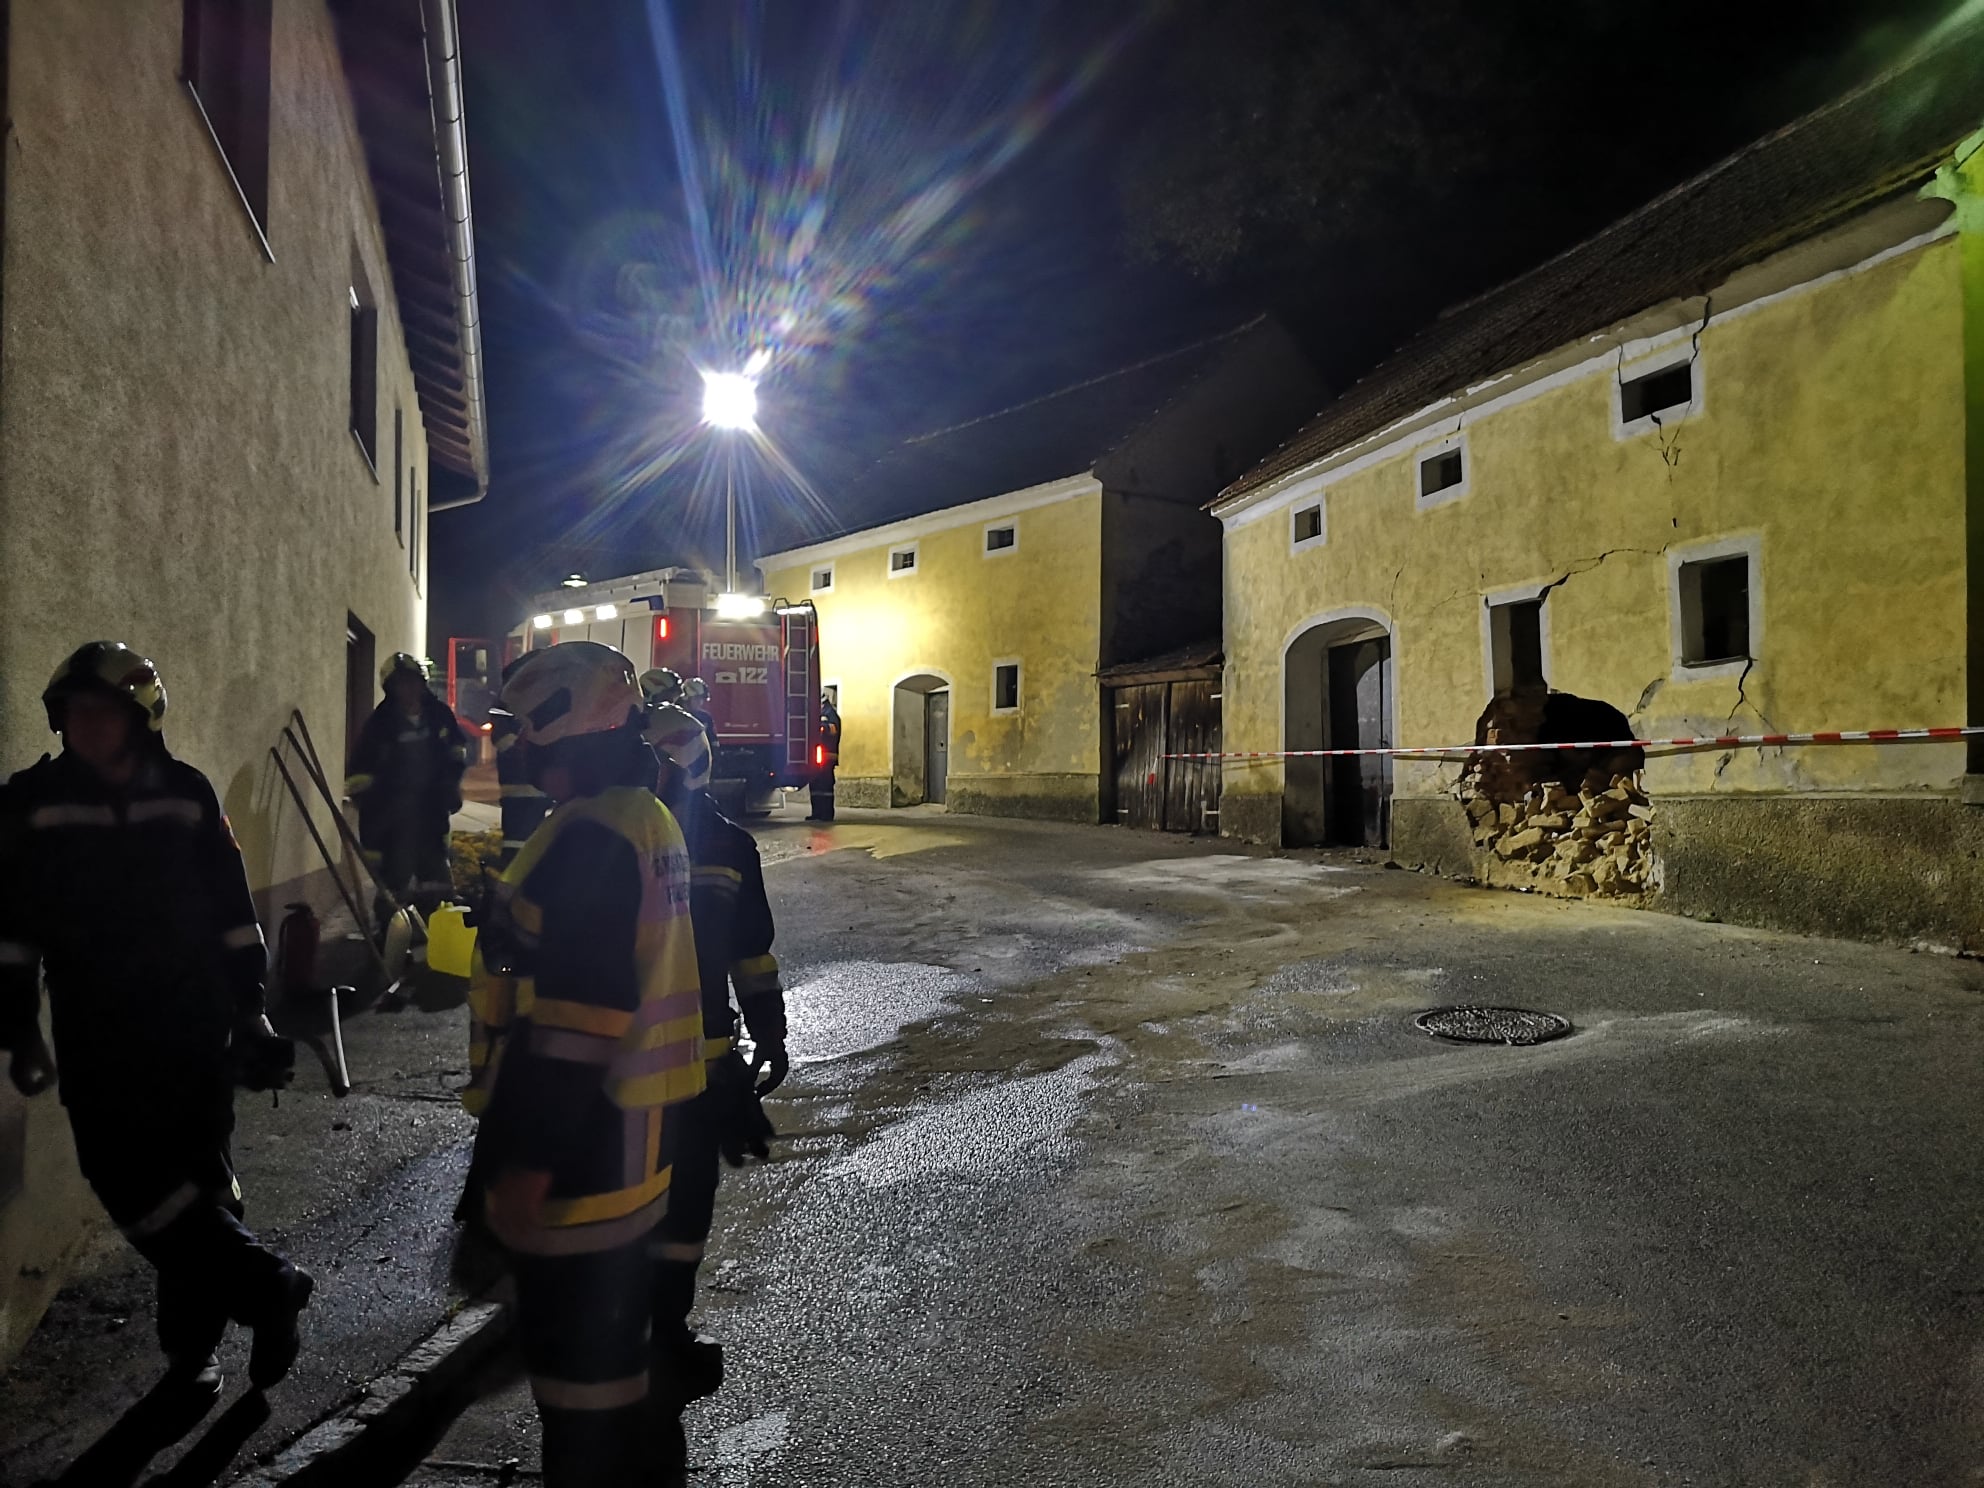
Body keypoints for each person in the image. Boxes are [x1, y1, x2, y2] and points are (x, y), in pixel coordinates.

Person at [0, 642, 313, 1399]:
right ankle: (261, 1286)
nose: (85, 725)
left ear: (141, 719)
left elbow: (233, 916)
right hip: (95, 1021)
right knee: (124, 1175)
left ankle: (193, 1352)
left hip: (192, 1017)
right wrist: (20, 1030)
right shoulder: (28, 802)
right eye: (73, 712)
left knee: (198, 1179)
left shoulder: (186, 792)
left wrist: (253, 1012)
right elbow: (11, 931)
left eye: (102, 712)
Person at [463, 641, 706, 1488]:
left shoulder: (594, 835)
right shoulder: (640, 813)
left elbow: (576, 1025)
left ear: (565, 729)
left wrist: (525, 1166)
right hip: (631, 1145)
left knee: (580, 1392)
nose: (512, 747)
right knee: (614, 1374)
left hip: (581, 1155)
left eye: (522, 730)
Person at [641, 702, 787, 1445]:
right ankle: (667, 1331)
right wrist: (770, 1036)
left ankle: (634, 1330)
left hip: (622, 1070)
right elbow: (751, 956)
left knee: (636, 1205)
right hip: (698, 1068)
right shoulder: (728, 845)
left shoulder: (610, 836)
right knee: (685, 1208)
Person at [344, 653, 469, 932]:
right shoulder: (379, 724)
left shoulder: (438, 715)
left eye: (413, 682)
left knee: (435, 872)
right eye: (401, 684)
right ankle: (391, 936)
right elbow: (359, 772)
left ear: (422, 684)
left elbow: (457, 751)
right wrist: (371, 805)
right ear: (391, 688)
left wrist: (451, 784)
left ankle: (436, 933)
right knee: (394, 877)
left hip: (432, 810)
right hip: (394, 817)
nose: (409, 689)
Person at [808, 691, 841, 822]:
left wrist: (820, 727)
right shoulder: (821, 713)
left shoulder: (830, 713)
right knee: (815, 786)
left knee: (826, 786)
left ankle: (827, 814)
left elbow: (833, 729)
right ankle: (816, 812)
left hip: (827, 757)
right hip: (818, 757)